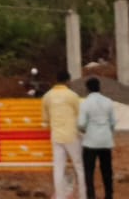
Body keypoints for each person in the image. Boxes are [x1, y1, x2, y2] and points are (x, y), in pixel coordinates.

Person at [41, 71, 85, 199]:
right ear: (68, 81)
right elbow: (79, 116)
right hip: (71, 136)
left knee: (58, 168)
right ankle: (83, 195)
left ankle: (60, 196)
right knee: (79, 166)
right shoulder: (72, 96)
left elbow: (45, 119)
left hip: (56, 136)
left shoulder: (47, 96)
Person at [77, 78, 116, 199]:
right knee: (107, 170)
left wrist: (85, 131)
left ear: (87, 89)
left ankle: (91, 195)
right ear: (99, 87)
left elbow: (81, 123)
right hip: (106, 141)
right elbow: (113, 122)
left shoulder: (85, 103)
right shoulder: (108, 101)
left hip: (90, 141)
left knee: (89, 171)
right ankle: (109, 195)